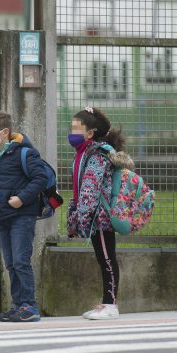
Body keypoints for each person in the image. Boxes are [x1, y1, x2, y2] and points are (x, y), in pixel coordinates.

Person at [67, 106, 133, 320]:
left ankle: (111, 304)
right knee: (102, 257)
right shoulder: (85, 151)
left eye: (76, 128)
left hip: (101, 216)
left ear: (90, 133)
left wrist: (82, 216)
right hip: (93, 215)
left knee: (107, 258)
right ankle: (107, 301)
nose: (71, 132)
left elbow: (90, 187)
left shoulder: (98, 153)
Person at [0, 111, 48, 323]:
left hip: (22, 215)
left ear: (4, 133)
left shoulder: (25, 153)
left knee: (21, 261)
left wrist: (21, 198)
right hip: (3, 216)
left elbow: (40, 178)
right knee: (10, 263)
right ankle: (18, 305)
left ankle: (29, 306)